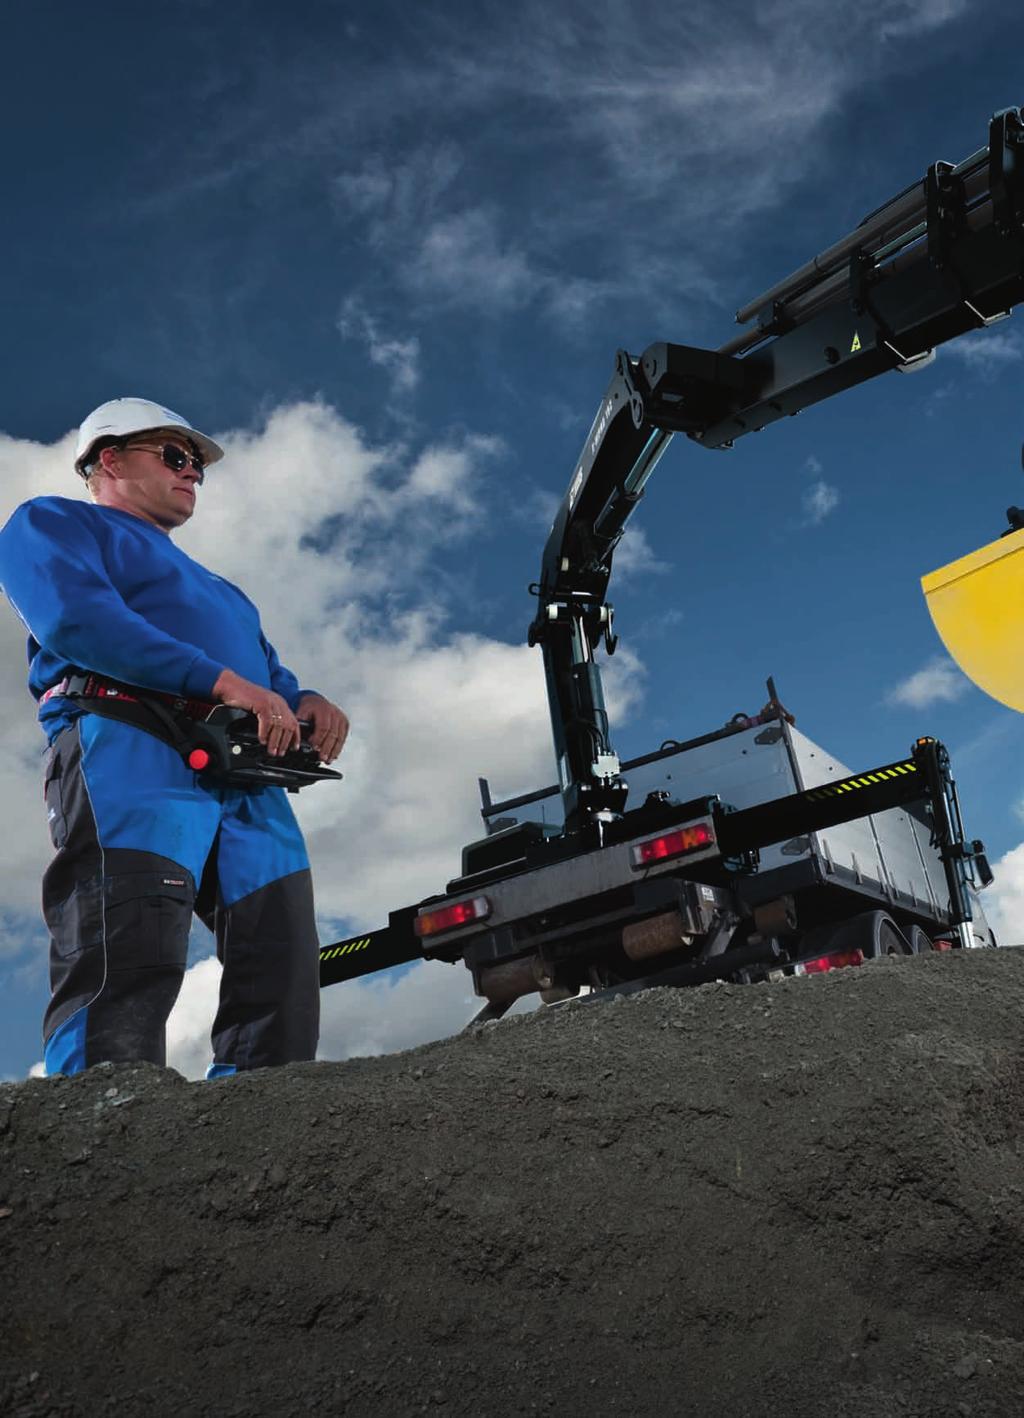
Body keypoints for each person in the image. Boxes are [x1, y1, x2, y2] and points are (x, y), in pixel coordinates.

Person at [0, 397, 349, 1078]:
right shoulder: (53, 522)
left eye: (197, 466)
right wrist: (218, 681)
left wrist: (306, 698)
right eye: (175, 456)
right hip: (131, 745)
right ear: (109, 459)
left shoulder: (226, 592)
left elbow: (269, 674)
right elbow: (77, 619)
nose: (192, 473)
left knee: (281, 957)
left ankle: (255, 1124)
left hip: (245, 770)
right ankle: (96, 1130)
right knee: (127, 948)